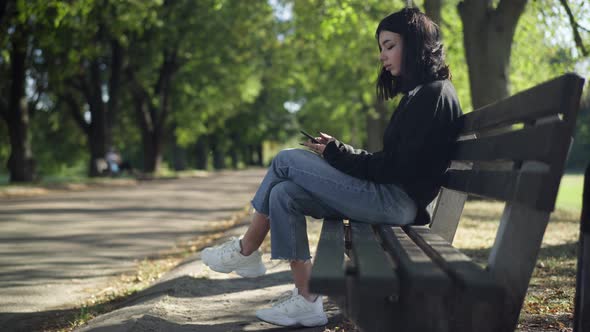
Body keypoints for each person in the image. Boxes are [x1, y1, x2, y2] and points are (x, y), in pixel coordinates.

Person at [200, 7, 463, 327]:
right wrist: (340, 150)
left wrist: (338, 155)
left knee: (284, 159)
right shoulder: (420, 94)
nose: (382, 56)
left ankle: (246, 251)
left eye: (390, 45)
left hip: (396, 201)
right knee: (284, 193)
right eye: (380, 48)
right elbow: (393, 161)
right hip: (389, 194)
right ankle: (307, 299)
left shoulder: (433, 95)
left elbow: (395, 169)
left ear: (416, 42)